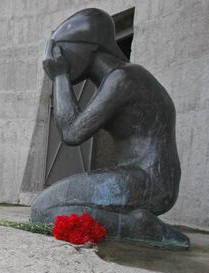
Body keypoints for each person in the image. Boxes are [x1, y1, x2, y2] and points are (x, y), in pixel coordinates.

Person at [31, 8, 189, 249]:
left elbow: (72, 133)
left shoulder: (123, 78)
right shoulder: (121, 77)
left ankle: (140, 227)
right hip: (143, 178)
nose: (53, 57)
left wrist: (61, 77)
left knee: (43, 210)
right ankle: (133, 223)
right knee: (49, 209)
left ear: (88, 46)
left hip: (151, 183)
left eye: (61, 48)